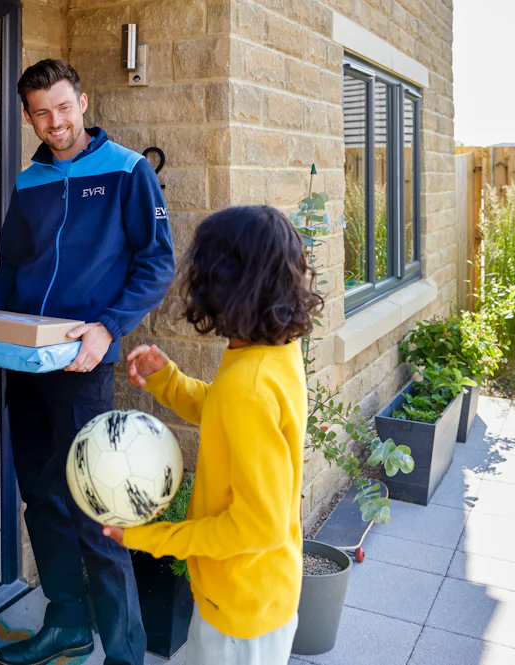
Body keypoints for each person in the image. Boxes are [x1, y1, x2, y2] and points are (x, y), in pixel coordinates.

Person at [0, 59, 175, 665]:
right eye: (40, 112)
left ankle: (125, 653)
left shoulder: (126, 171)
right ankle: (66, 623)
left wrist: (107, 329)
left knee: (97, 505)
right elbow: (14, 266)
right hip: (24, 365)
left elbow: (156, 263)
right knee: (41, 495)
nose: (54, 121)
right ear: (29, 116)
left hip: (83, 368)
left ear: (83, 103)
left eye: (63, 107)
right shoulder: (27, 181)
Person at [107, 205, 321, 665]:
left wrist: (152, 537)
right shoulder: (271, 353)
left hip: (241, 616)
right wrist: (168, 380)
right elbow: (224, 412)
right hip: (252, 594)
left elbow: (255, 525)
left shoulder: (251, 386)